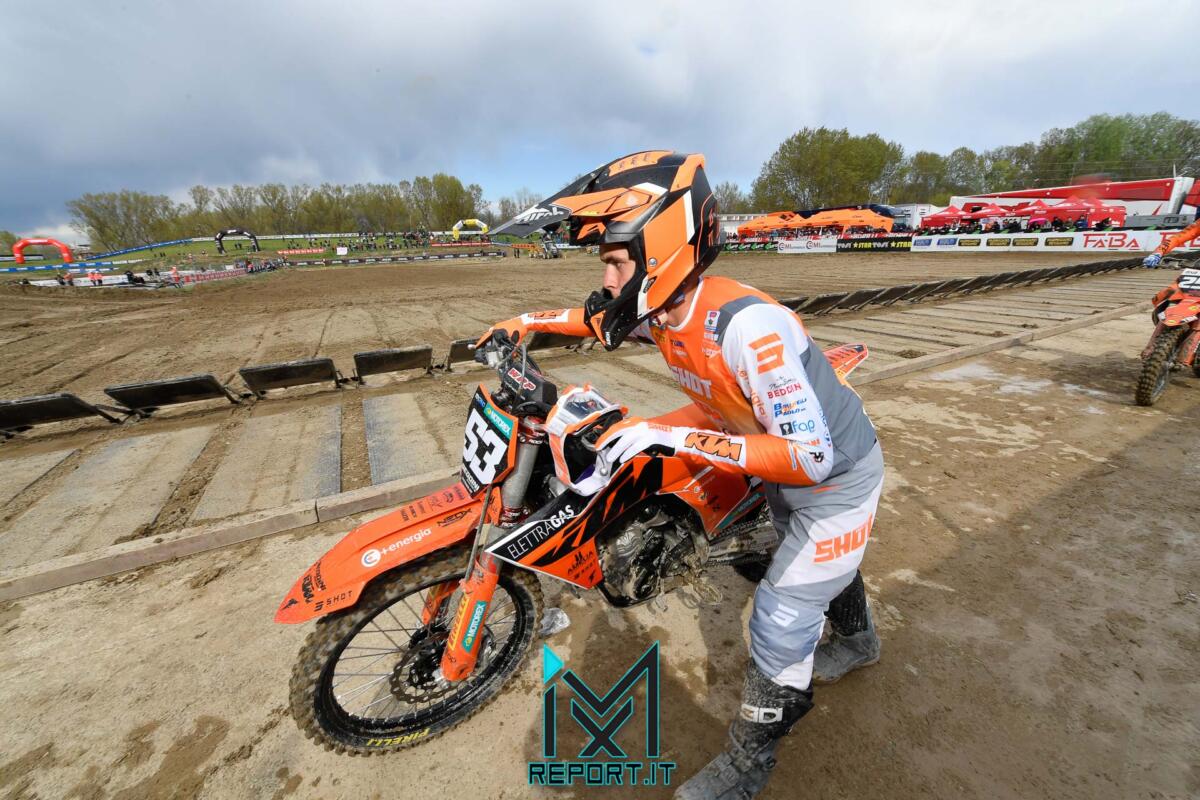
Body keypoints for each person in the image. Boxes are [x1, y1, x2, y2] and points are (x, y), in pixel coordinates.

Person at [478, 152, 884, 800]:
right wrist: (524, 323)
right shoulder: (666, 309)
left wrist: (669, 435)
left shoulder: (746, 329)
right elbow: (592, 319)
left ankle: (747, 767)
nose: (607, 277)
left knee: (779, 616)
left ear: (661, 249)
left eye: (616, 261)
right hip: (772, 465)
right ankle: (860, 640)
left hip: (836, 478)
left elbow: (812, 456)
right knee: (803, 557)